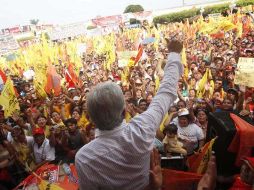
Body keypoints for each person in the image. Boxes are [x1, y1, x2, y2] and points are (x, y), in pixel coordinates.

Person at [75, 40, 184, 189]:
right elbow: (167, 90)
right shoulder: (142, 128)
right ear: (124, 111)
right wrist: (174, 54)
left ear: (91, 119)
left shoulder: (85, 158)